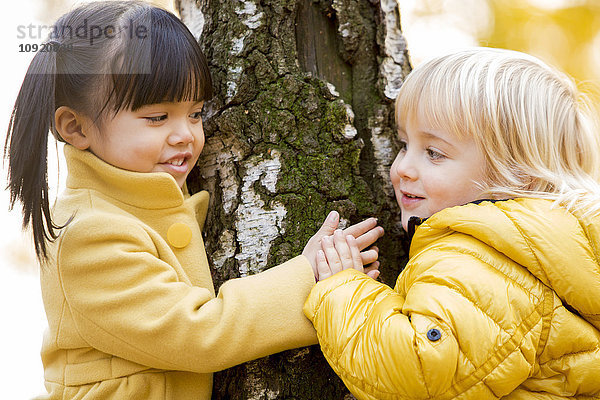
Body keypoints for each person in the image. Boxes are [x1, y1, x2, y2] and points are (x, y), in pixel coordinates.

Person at [4, 2, 384, 399]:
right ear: (75, 127)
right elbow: (199, 332)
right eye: (157, 117)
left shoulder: (152, 203)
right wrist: (309, 277)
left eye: (196, 113)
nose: (185, 134)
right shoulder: (87, 234)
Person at [303, 47, 600, 399]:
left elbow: (417, 373)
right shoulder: (535, 252)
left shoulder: (484, 260)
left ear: (519, 177)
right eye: (404, 144)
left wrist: (342, 288)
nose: (401, 169)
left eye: (434, 153)